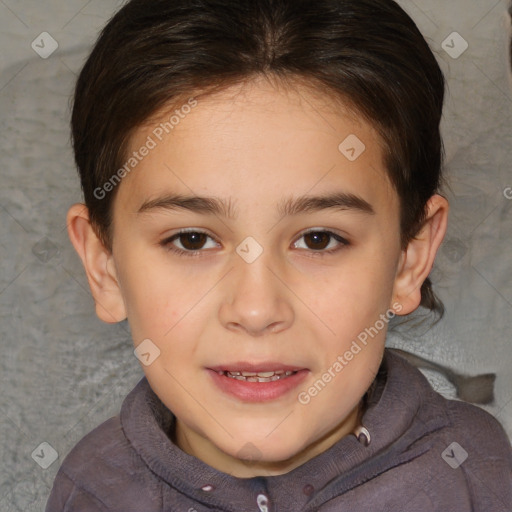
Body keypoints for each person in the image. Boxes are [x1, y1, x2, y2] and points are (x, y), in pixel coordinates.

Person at [45, 0, 512, 510]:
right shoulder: (90, 489)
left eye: (318, 239)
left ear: (408, 260)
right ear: (104, 266)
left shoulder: (479, 479)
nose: (256, 309)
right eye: (192, 240)